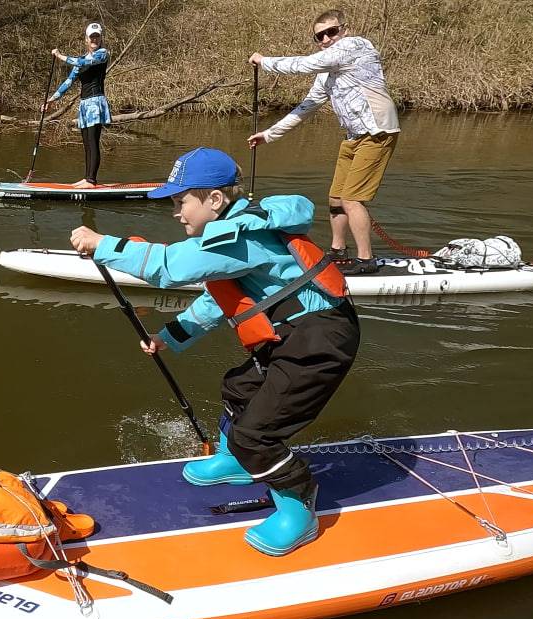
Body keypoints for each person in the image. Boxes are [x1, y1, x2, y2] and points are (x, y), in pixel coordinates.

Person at [68, 147, 361, 556]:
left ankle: (299, 502)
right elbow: (217, 300)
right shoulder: (233, 236)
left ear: (215, 200)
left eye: (181, 200)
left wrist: (104, 244)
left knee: (257, 433)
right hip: (294, 333)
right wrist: (169, 335)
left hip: (320, 338)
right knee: (239, 388)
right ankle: (238, 462)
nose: (176, 211)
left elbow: (170, 267)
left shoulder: (241, 235)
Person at [247, 8, 400, 276]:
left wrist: (264, 61)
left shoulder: (356, 45)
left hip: (378, 132)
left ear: (344, 29)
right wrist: (269, 134)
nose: (327, 39)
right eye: (320, 36)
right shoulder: (326, 73)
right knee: (336, 198)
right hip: (354, 137)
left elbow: (304, 64)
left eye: (331, 32)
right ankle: (338, 252)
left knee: (352, 199)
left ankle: (366, 260)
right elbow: (306, 107)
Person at [42, 22, 111, 189]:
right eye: (91, 36)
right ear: (86, 39)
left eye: (97, 36)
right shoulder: (81, 61)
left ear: (100, 38)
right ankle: (87, 177)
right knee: (86, 142)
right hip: (84, 105)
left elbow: (78, 62)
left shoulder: (103, 54)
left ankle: (92, 181)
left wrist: (59, 56)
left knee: (93, 141)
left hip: (96, 102)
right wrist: (52, 99)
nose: (95, 39)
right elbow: (68, 81)